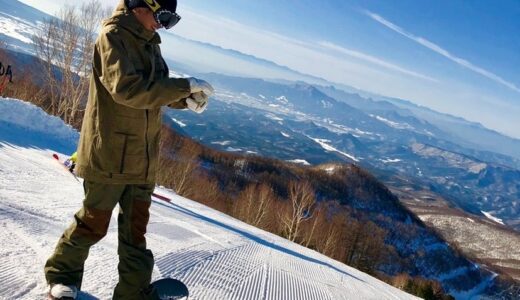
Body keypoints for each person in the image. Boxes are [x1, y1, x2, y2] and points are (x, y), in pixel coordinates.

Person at [44, 0, 214, 299]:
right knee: (92, 225)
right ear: (141, 6)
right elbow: (126, 89)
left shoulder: (149, 42)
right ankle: (63, 278)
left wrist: (183, 100)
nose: (163, 25)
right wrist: (183, 86)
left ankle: (133, 293)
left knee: (135, 235)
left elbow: (155, 87)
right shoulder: (113, 36)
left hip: (142, 157)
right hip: (109, 154)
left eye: (171, 20)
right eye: (163, 16)